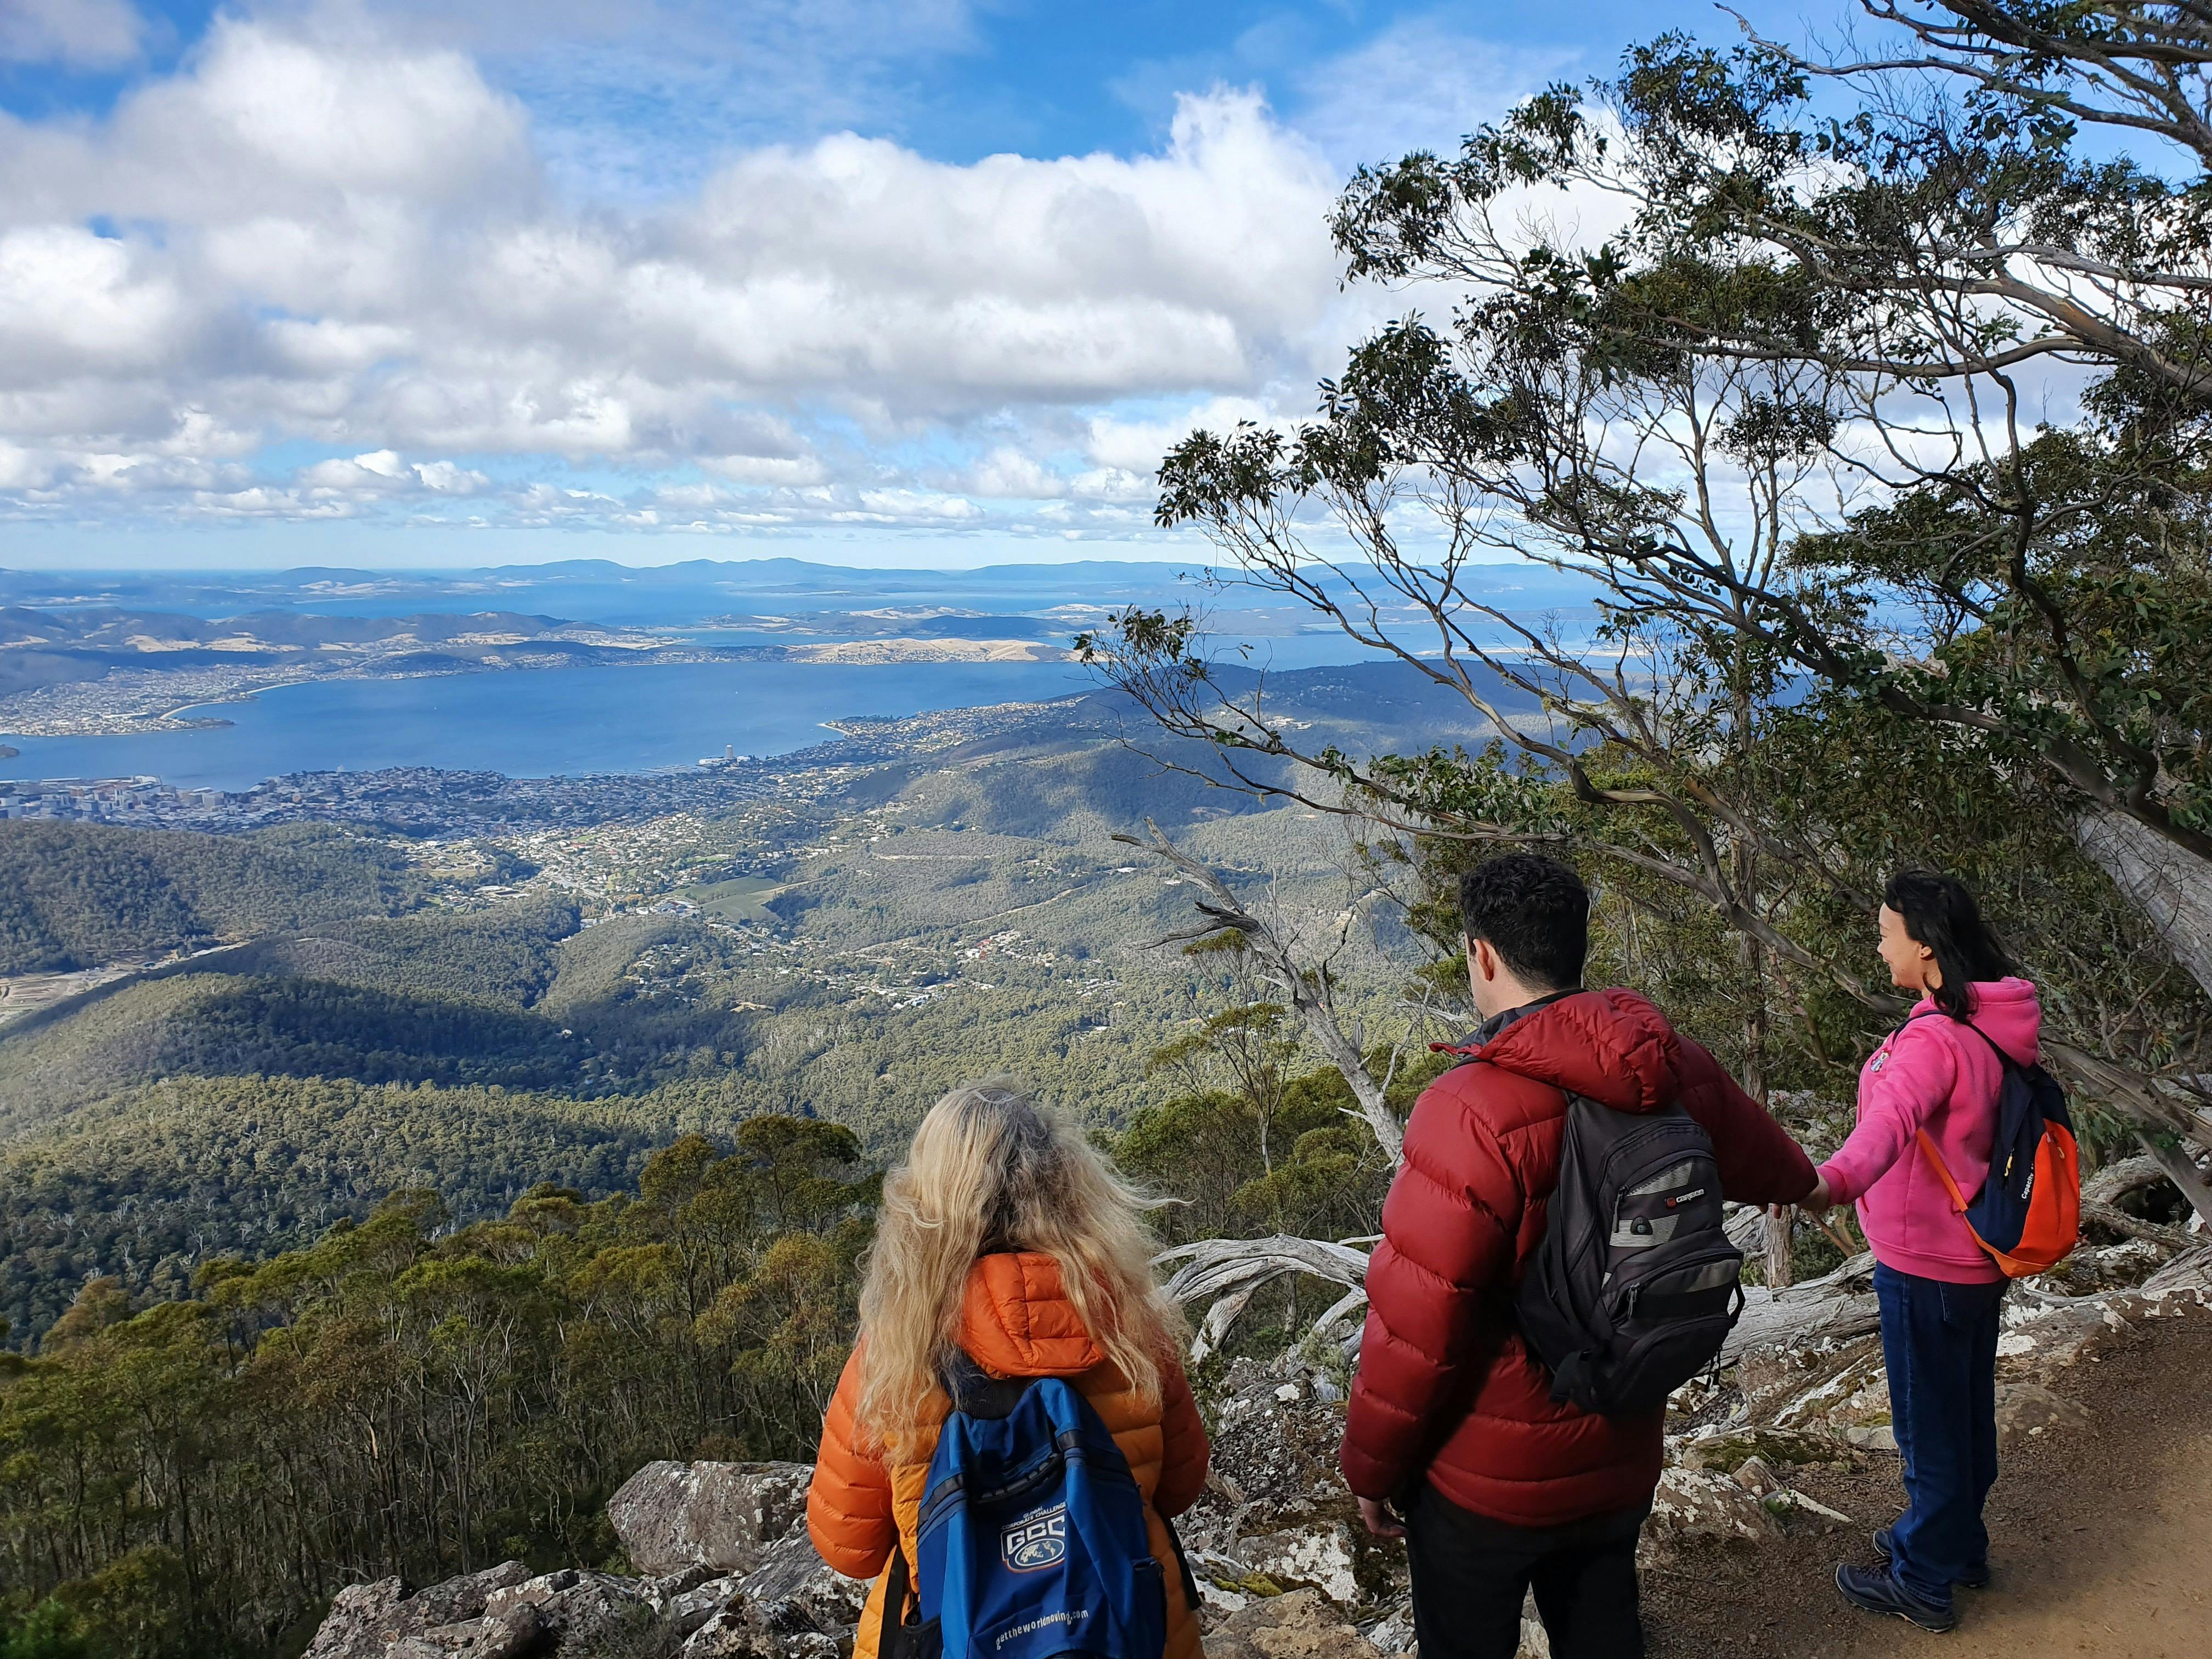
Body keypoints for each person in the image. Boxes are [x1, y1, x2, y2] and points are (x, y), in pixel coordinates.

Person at [1340, 853, 1818, 1659]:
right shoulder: (1672, 1064)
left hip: (1484, 1482)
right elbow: (1787, 1172)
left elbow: (1416, 1334)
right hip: (1624, 1439)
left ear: (1482, 954)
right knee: (1603, 1630)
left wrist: (1371, 1470)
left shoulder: (1467, 1111)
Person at [806, 1079, 1211, 1659]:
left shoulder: (894, 1355)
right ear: (1069, 1186)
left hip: (951, 1636)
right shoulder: (1131, 1330)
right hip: (1129, 1632)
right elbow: (1179, 1487)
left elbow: (849, 1547)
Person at [1798, 870, 2036, 1633]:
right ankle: (1959, 1544)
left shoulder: (1937, 1038)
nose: (1879, 947)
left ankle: (1923, 1580)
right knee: (1964, 1416)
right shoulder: (1994, 1021)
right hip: (1976, 1255)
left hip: (1924, 1263)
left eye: (1885, 933)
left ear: (1926, 945)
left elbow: (1890, 1122)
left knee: (1927, 1429)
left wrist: (1828, 1183)